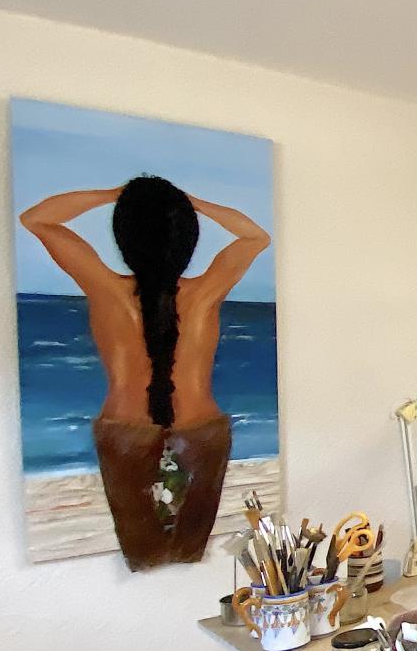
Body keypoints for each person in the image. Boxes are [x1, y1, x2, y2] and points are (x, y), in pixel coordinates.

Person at [20, 177, 270, 569]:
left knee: (142, 553)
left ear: (124, 237)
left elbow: (38, 218)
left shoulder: (104, 287)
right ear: (187, 239)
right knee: (190, 552)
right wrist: (193, 203)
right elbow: (255, 237)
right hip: (201, 431)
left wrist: (112, 195)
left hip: (126, 432)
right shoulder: (207, 291)